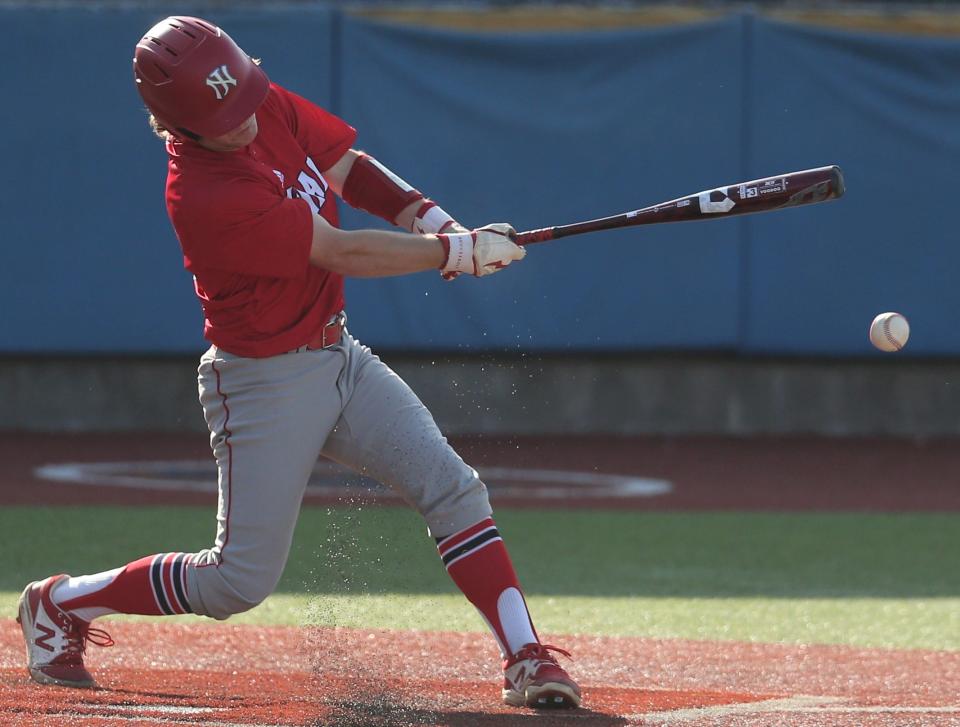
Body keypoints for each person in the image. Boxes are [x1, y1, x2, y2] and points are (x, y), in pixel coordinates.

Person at [16, 15, 581, 710]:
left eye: (244, 95)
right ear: (181, 127)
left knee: (454, 487)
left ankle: (526, 656)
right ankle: (61, 601)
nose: (246, 119)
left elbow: (344, 165)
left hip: (338, 354)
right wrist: (456, 254)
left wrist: (434, 222)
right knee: (235, 584)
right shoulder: (204, 194)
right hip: (263, 380)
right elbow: (340, 251)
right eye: (222, 116)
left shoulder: (255, 101)